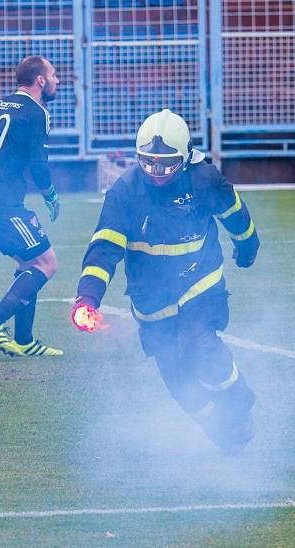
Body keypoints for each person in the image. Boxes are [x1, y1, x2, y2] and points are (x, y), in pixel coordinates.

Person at [72, 109, 260, 454]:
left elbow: (236, 216)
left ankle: (238, 401)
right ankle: (222, 433)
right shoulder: (124, 194)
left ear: (186, 158)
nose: (156, 172)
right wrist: (87, 298)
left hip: (199, 284)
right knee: (178, 379)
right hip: (150, 301)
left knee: (199, 343)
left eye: (167, 164)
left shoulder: (205, 180)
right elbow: (103, 250)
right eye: (148, 162)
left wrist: (247, 246)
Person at [0, 56, 62, 358]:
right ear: (40, 81)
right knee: (47, 264)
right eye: (54, 74)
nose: (57, 80)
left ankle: (24, 340)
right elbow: (38, 164)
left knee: (29, 263)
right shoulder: (37, 112)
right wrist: (50, 195)